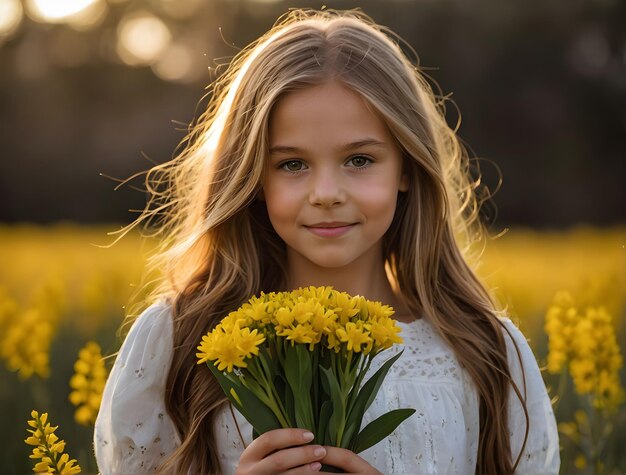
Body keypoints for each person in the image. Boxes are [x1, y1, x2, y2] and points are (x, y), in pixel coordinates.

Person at [94, 8, 560, 475]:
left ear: (406, 167)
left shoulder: (484, 351)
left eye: (359, 160)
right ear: (253, 178)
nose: (326, 195)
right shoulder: (180, 341)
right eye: (292, 164)